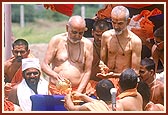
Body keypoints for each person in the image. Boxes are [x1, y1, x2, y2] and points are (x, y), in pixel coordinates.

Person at [41, 15, 93, 95]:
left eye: (81, 33)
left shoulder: (87, 44)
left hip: (77, 89)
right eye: (74, 32)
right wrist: (55, 75)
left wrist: (79, 92)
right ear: (67, 28)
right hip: (56, 89)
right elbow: (44, 65)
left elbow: (87, 72)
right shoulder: (57, 40)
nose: (77, 36)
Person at [97, 5, 142, 90]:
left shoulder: (135, 41)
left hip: (125, 82)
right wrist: (102, 68)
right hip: (107, 81)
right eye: (113, 22)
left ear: (128, 21)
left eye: (120, 23)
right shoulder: (106, 36)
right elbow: (102, 61)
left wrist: (114, 75)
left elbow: (135, 72)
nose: (116, 26)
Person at [85, 19, 110, 96]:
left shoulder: (113, 47)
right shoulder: (86, 46)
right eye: (97, 35)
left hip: (108, 85)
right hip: (88, 85)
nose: (100, 39)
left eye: (103, 36)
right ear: (92, 32)